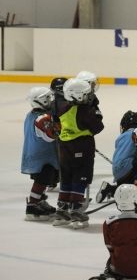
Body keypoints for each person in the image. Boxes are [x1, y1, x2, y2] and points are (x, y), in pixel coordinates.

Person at [54, 78, 104, 229]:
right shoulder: (84, 111)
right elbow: (98, 127)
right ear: (78, 95)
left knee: (67, 178)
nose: (90, 96)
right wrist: (95, 111)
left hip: (64, 148)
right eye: (87, 94)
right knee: (80, 178)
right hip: (81, 147)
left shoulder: (62, 107)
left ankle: (62, 211)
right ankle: (76, 211)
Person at [97, 111, 137, 203]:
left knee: (124, 190)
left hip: (117, 171)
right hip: (130, 168)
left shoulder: (120, 137)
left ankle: (109, 189)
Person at [22, 87, 59, 221]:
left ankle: (39, 200)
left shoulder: (31, 114)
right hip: (42, 156)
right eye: (47, 98)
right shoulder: (42, 118)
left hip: (40, 154)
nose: (50, 100)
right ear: (40, 101)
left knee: (46, 178)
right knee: (43, 178)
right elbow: (51, 136)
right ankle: (32, 204)